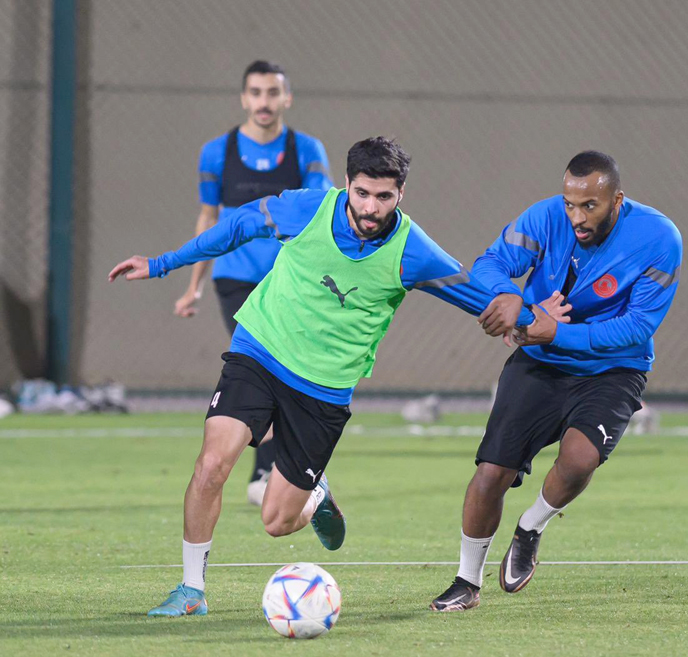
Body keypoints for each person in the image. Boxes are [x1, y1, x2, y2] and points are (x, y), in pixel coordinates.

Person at [108, 137, 536, 617]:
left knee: (276, 522)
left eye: (384, 197)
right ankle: (191, 590)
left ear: (401, 194)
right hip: (260, 350)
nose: (370, 207)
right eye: (362, 193)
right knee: (211, 465)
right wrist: (162, 264)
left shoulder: (412, 251)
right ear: (346, 184)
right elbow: (238, 226)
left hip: (322, 391)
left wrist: (532, 322)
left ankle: (316, 495)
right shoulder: (306, 209)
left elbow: (479, 296)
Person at [429, 151, 683, 611]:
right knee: (492, 473)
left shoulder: (660, 238)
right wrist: (512, 300)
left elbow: (637, 327)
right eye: (570, 204)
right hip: (541, 361)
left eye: (590, 206)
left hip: (614, 368)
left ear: (617, 200)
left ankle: (531, 527)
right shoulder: (545, 217)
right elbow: (490, 263)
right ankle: (467, 582)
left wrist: (556, 332)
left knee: (581, 458)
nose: (576, 217)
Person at [175, 60, 333, 505]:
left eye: (273, 92)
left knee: (287, 370)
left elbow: (323, 213)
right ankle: (270, 471)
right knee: (262, 363)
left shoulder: (306, 150)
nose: (264, 101)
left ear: (287, 98)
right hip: (236, 280)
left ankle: (281, 471)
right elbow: (209, 219)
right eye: (256, 92)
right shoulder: (216, 152)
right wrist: (194, 286)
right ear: (244, 98)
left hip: (291, 282)